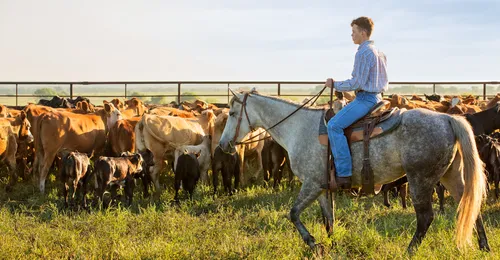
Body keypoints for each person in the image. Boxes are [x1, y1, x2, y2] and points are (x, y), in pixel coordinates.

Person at [325, 16, 388, 189]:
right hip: (378, 97)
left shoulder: (363, 52)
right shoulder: (379, 52)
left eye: (353, 32)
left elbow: (357, 83)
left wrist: (334, 84)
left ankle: (344, 174)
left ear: (363, 32)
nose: (351, 35)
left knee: (334, 126)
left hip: (365, 99)